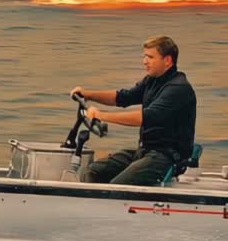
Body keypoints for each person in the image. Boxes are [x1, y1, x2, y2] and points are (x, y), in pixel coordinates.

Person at [70, 35, 196, 186]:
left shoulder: (178, 88)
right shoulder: (152, 80)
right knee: (91, 171)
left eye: (150, 57)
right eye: (144, 56)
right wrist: (87, 94)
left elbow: (145, 117)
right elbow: (123, 97)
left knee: (118, 186)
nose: (144, 61)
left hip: (166, 158)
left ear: (167, 60)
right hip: (145, 151)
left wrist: (100, 115)